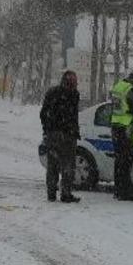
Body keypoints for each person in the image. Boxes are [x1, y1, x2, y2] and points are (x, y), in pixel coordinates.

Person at [41, 70, 81, 203]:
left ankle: (51, 193)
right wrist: (72, 130)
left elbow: (43, 113)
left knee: (53, 164)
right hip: (67, 135)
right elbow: (73, 116)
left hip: (53, 134)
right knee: (68, 165)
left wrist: (47, 129)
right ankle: (66, 193)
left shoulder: (52, 93)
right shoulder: (73, 95)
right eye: (74, 82)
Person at [109, 69, 133, 201]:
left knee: (119, 160)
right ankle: (125, 192)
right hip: (126, 128)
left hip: (115, 125)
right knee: (126, 160)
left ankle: (118, 190)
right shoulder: (131, 89)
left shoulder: (118, 86)